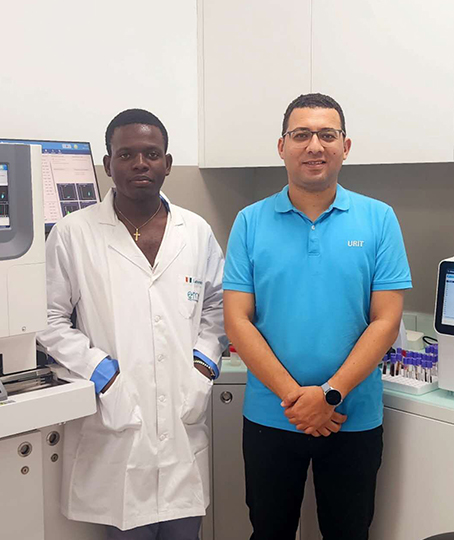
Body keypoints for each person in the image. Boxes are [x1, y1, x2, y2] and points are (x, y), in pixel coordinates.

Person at [223, 93, 413, 540]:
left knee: (349, 532)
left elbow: (385, 321)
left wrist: (329, 395)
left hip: (352, 416)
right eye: (301, 135)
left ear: (345, 147)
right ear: (281, 146)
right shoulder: (250, 222)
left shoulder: (379, 219)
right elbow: (237, 321)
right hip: (273, 414)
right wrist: (298, 400)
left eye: (327, 135)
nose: (314, 146)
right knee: (269, 532)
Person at [37, 109, 227, 539]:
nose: (140, 163)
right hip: (116, 422)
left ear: (167, 163)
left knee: (185, 530)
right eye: (126, 155)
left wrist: (203, 365)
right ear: (108, 164)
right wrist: (102, 374)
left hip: (182, 421)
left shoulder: (196, 231)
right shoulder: (73, 233)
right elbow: (48, 319)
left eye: (151, 154)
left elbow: (217, 307)